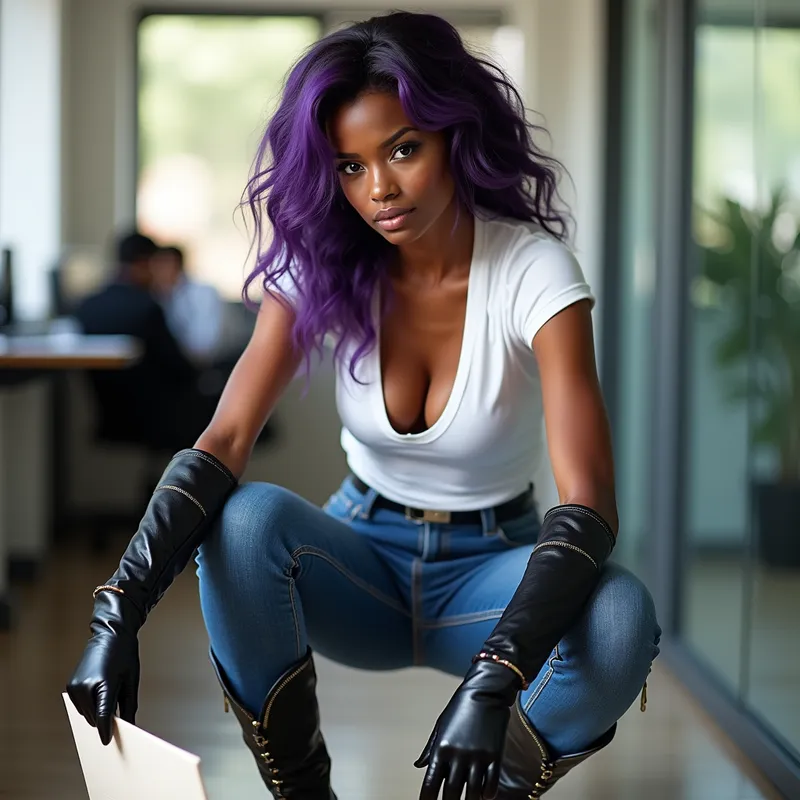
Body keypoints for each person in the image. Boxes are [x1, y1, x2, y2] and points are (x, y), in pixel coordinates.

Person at [67, 12, 660, 800]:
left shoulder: (535, 272)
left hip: (489, 580)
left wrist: (494, 681)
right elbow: (227, 436)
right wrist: (118, 612)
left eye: (403, 149)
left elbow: (588, 503)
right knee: (244, 522)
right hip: (358, 566)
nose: (378, 188)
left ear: (457, 133)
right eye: (349, 166)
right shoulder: (324, 264)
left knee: (621, 614)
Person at [73, 232, 212, 451]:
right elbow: (180, 370)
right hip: (159, 416)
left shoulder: (87, 306)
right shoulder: (147, 306)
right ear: (143, 263)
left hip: (111, 415)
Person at [150, 245, 224, 365]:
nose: (160, 272)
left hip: (194, 365)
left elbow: (204, 344)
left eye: (165, 265)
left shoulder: (202, 294)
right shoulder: (152, 296)